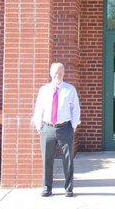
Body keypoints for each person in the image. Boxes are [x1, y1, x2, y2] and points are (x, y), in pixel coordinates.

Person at [32, 62, 81, 197]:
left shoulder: (70, 89)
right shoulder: (44, 90)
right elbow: (38, 109)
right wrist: (39, 127)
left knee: (68, 159)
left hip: (65, 128)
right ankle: (47, 188)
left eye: (60, 73)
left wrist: (74, 126)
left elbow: (75, 109)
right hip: (47, 128)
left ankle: (69, 188)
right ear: (50, 73)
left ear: (63, 73)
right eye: (55, 72)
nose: (57, 75)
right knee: (47, 159)